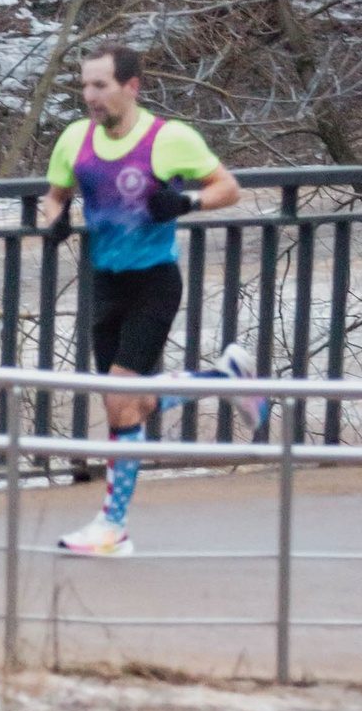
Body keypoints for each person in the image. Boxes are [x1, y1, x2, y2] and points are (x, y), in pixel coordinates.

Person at [36, 44, 252, 557]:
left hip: (154, 282)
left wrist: (186, 201)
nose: (90, 96)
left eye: (101, 86)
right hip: (104, 283)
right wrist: (54, 219)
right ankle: (223, 378)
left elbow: (229, 188)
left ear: (131, 86)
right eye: (85, 86)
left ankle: (113, 526)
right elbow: (55, 194)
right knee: (131, 404)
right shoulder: (74, 139)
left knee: (118, 396)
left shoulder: (168, 138)